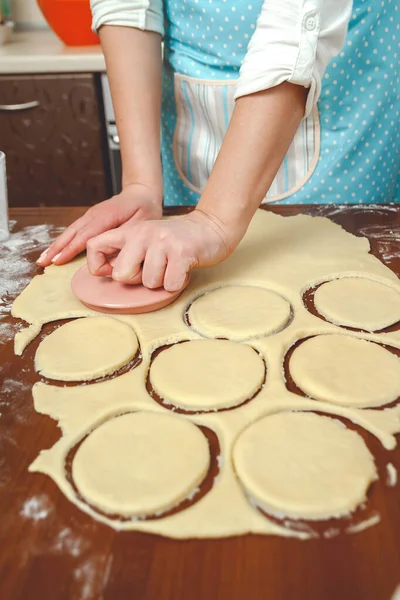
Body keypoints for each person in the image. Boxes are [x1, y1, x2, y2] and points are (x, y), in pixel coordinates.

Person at [37, 0, 399, 292]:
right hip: (194, 121)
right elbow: (128, 7)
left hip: (341, 126)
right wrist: (141, 184)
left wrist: (213, 220)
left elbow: (298, 22)